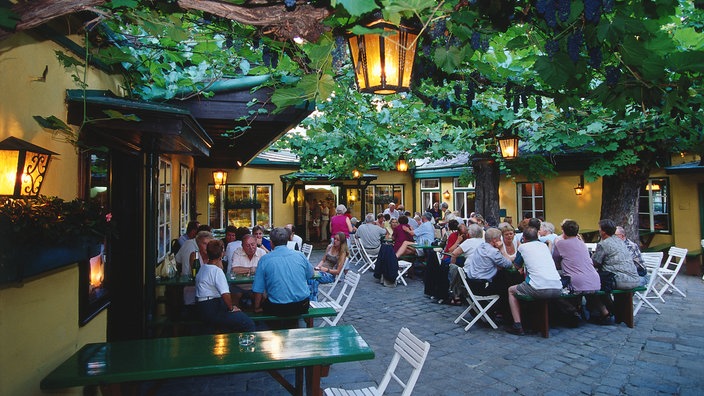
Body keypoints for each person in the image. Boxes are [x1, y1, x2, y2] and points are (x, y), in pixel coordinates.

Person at [253, 227, 314, 328]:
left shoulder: (265, 260)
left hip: (277, 307)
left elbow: (258, 289)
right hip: (301, 305)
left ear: (271, 243)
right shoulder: (300, 255)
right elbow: (310, 275)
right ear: (287, 241)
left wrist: (256, 307)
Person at [507, 227, 563, 335]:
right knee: (535, 288)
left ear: (524, 238)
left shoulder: (523, 247)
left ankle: (517, 324)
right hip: (557, 286)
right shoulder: (544, 247)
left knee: (511, 290)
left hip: (538, 288)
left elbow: (516, 266)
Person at [195, 239, 256, 332]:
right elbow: (225, 294)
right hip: (213, 307)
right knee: (248, 323)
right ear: (222, 253)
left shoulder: (203, 268)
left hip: (202, 307)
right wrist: (231, 308)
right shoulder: (217, 271)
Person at [590, 219, 641, 324]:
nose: (599, 230)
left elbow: (596, 262)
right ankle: (617, 312)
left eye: (599, 229)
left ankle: (608, 311)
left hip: (618, 280)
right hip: (634, 278)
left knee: (591, 284)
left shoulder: (604, 244)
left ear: (603, 231)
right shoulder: (620, 241)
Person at [551, 220, 601, 326]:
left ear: (563, 231)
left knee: (554, 292)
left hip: (575, 282)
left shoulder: (560, 243)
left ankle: (572, 311)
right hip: (594, 280)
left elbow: (555, 260)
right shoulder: (582, 243)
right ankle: (581, 311)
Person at [461, 227, 517, 318]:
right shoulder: (493, 252)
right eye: (499, 239)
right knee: (507, 286)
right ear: (495, 240)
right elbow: (508, 264)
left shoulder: (481, 247)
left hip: (472, 283)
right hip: (481, 287)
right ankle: (506, 315)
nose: (500, 241)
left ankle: (495, 312)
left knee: (502, 278)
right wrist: (502, 249)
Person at [447, 223, 485, 305]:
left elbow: (454, 254)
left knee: (455, 270)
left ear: (470, 233)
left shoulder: (469, 242)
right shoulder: (485, 242)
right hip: (485, 274)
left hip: (471, 273)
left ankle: (455, 294)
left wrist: (452, 265)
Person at [228, 234, 266, 308]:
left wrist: (243, 269)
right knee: (234, 295)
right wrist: (252, 269)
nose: (251, 248)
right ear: (242, 246)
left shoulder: (262, 252)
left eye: (253, 244)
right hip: (239, 286)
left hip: (256, 286)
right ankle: (236, 315)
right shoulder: (237, 252)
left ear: (256, 243)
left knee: (263, 296)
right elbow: (235, 269)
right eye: (247, 245)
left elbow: (264, 271)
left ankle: (258, 313)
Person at [311, 232, 349, 300]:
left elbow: (338, 271)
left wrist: (326, 270)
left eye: (337, 240)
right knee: (313, 281)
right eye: (334, 239)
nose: (335, 241)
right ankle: (313, 301)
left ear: (342, 242)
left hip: (330, 275)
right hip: (321, 271)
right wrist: (318, 267)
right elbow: (323, 260)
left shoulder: (342, 253)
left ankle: (311, 300)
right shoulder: (329, 247)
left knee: (311, 277)